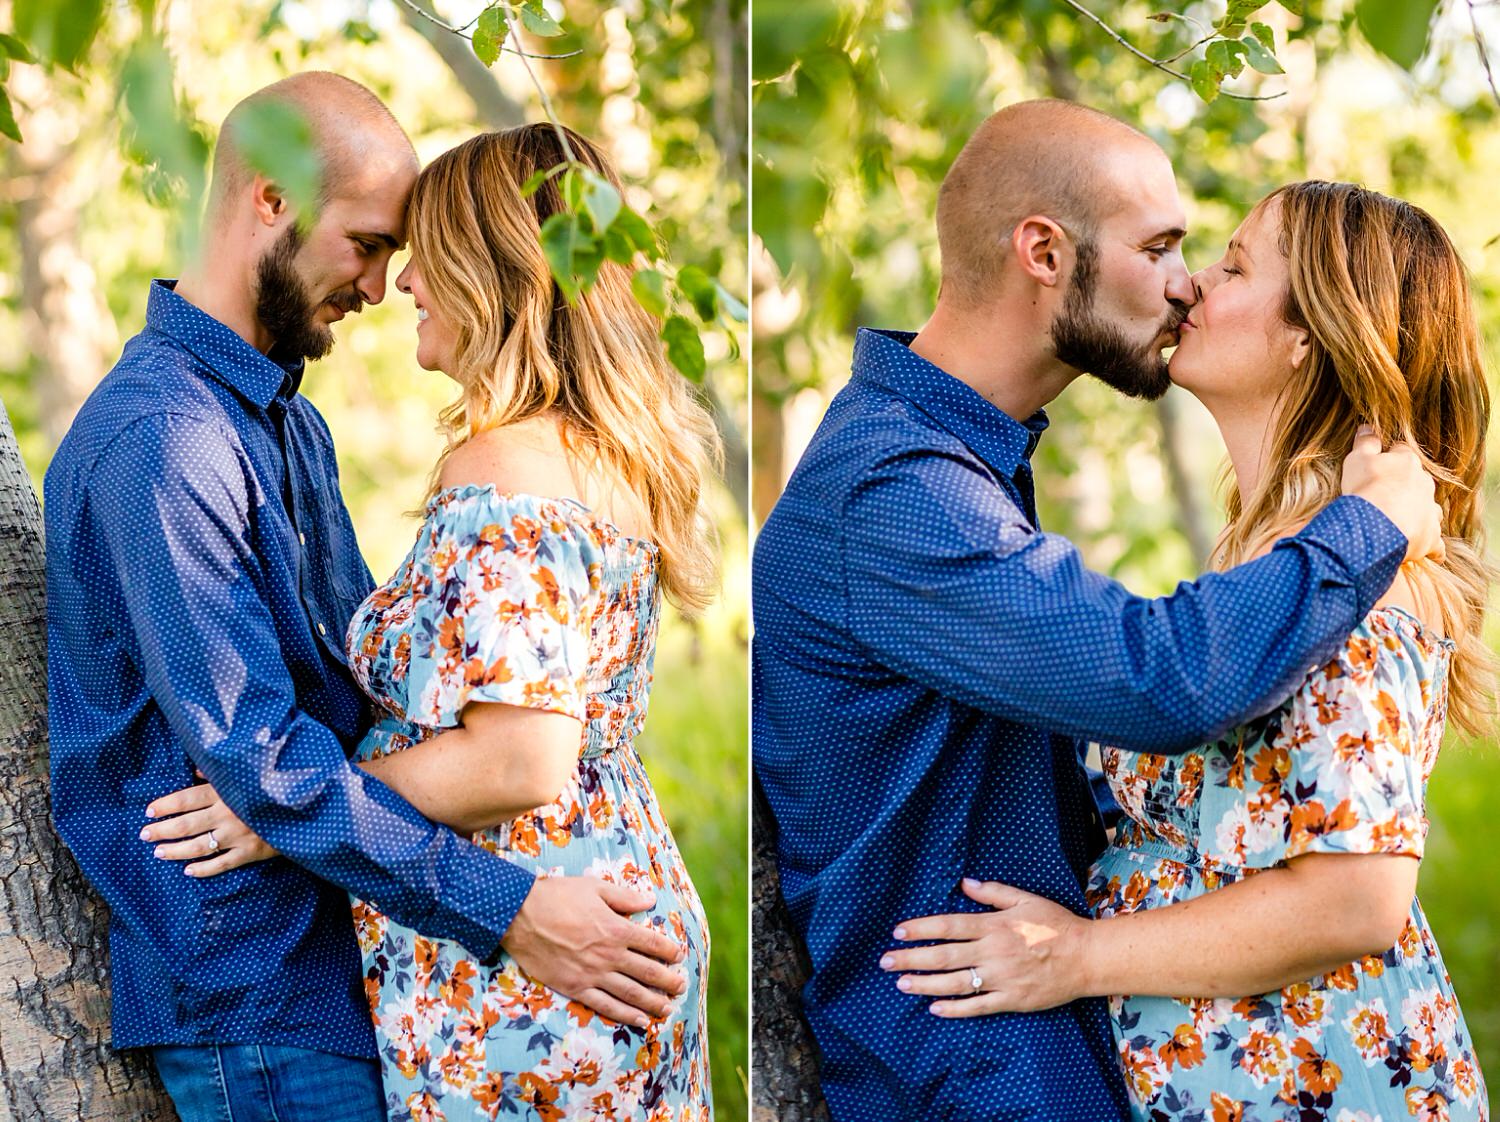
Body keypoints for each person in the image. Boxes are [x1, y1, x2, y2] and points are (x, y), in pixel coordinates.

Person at [751, 99, 1447, 1120]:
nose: (1186, 282)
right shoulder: (897, 490)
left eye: (1212, 258)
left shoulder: (962, 463)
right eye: (1160, 246)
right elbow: (1154, 676)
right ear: (1044, 250)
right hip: (973, 1072)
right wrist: (1366, 527)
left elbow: (1351, 886)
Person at [46, 74, 684, 1122]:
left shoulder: (290, 427)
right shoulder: (164, 442)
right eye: (367, 243)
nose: (384, 285)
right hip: (256, 992)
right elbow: (264, 763)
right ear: (270, 198)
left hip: (348, 964)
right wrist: (508, 908)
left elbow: (355, 709)